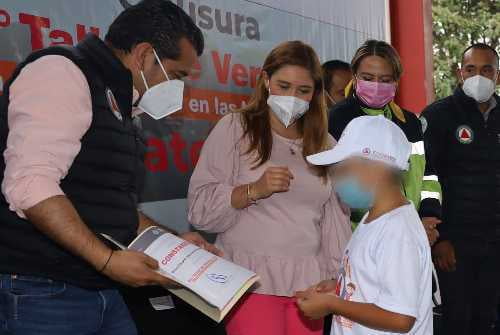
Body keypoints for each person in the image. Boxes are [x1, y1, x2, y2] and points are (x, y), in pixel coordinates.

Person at [0, 1, 219, 334]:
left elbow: (114, 207)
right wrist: (107, 260)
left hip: (99, 285)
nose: (182, 89)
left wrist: (175, 244)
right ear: (145, 54)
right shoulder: (62, 72)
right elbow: (31, 185)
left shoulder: (120, 101)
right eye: (177, 75)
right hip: (43, 288)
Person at [187, 41, 352, 335]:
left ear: (315, 92)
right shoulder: (235, 127)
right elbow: (200, 211)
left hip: (308, 287)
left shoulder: (326, 144)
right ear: (265, 80)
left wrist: (335, 277)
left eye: (303, 91)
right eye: (284, 85)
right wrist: (252, 190)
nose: (292, 97)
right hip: (249, 281)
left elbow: (334, 222)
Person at [296, 115, 433, 335]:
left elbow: (400, 318)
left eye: (342, 171)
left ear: (376, 168)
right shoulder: (373, 220)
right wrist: (340, 287)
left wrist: (333, 305)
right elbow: (377, 283)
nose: (337, 182)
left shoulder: (398, 232)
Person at [328, 40, 441, 245]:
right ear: (354, 77)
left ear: (396, 81)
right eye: (368, 78)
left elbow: (429, 176)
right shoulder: (337, 119)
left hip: (413, 230)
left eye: (385, 79)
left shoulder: (410, 123)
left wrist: (427, 216)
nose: (376, 85)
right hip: (360, 235)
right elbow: (338, 185)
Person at [421, 43, 500, 335]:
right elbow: (427, 180)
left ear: (498, 76)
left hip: (494, 245)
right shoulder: (439, 116)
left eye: (487, 69)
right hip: (454, 246)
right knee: (456, 320)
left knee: (487, 319)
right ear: (459, 73)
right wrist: (441, 238)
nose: (478, 76)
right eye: (471, 69)